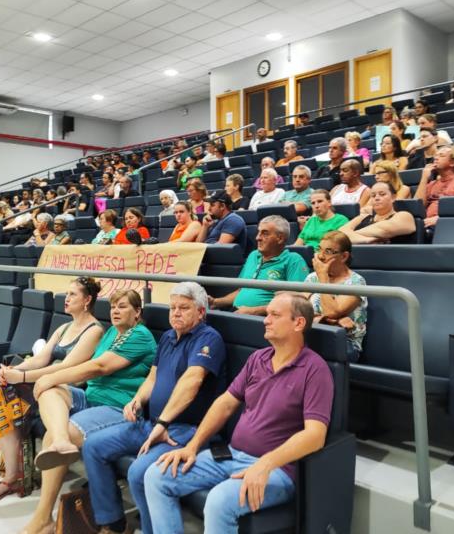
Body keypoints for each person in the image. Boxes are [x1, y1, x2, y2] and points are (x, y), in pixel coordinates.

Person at [146, 293, 333, 534]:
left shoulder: (315, 370)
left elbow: (315, 435)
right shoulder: (258, 359)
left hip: (277, 469)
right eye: (267, 314)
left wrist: (266, 463)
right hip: (231, 455)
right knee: (156, 476)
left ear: (298, 323)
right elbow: (224, 404)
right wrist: (192, 446)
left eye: (275, 315)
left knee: (218, 501)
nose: (266, 320)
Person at [74, 283, 226, 534]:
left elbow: (192, 382)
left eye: (184, 308)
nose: (175, 313)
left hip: (185, 430)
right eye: (172, 307)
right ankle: (112, 522)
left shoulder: (208, 338)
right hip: (152, 424)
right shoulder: (167, 337)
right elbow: (153, 378)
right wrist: (137, 400)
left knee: (138, 472)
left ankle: (150, 530)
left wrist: (163, 422)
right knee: (94, 446)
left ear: (201, 312)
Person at [21, 288, 157, 534]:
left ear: (137, 312)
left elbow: (99, 367)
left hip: (117, 407)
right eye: (114, 306)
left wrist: (50, 376)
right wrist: (52, 380)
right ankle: (62, 439)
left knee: (52, 429)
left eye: (123, 306)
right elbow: (83, 365)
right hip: (90, 398)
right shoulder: (111, 334)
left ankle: (43, 519)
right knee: (51, 392)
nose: (116, 311)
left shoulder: (140, 335)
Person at [0, 278, 104, 505]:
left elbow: (68, 368)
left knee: (7, 394)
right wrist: (13, 369)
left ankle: (5, 465)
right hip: (46, 383)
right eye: (66, 294)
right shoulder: (64, 327)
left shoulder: (94, 330)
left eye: (73, 295)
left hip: (68, 389)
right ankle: (9, 472)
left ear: (87, 300)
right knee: (4, 390)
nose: (66, 299)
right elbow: (40, 358)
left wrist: (23, 377)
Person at [210, 216, 309, 315]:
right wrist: (216, 302)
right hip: (237, 313)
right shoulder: (253, 255)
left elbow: (298, 302)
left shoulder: (293, 260)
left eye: (265, 233)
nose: (257, 238)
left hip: (266, 319)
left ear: (280, 238)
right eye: (258, 232)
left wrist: (254, 311)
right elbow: (241, 291)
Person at [304, 232, 367, 362]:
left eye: (328, 251)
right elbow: (301, 311)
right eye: (318, 249)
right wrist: (332, 321)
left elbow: (331, 312)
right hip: (312, 334)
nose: (320, 256)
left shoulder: (356, 282)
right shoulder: (312, 277)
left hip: (344, 343)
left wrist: (323, 278)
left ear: (344, 256)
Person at [339, 182, 417, 244]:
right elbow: (340, 232)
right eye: (373, 195)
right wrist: (366, 240)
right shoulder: (363, 217)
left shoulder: (404, 215)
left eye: (382, 194)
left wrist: (350, 236)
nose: (376, 198)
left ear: (393, 197)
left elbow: (384, 230)